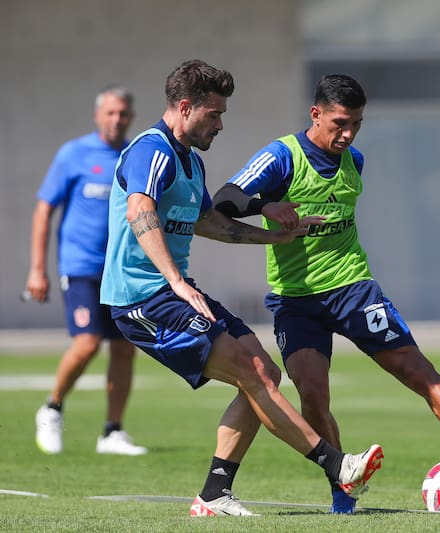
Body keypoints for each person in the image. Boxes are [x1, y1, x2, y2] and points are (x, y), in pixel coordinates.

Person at [212, 73, 440, 514]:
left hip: (353, 288)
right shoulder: (282, 157)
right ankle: (341, 486)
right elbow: (223, 199)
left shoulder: (355, 159)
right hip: (296, 301)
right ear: (315, 114)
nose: (348, 133)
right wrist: (265, 206)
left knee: (416, 369)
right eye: (339, 123)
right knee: (312, 393)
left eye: (356, 123)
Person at [99, 60, 383, 517]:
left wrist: (274, 234)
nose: (221, 124)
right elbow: (139, 210)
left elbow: (209, 221)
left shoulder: (189, 160)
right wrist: (175, 281)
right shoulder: (151, 151)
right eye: (214, 114)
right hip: (142, 300)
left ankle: (214, 494)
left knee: (265, 375)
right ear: (186, 107)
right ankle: (338, 466)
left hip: (174, 292)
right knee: (251, 370)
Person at [27, 85, 147, 456]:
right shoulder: (74, 154)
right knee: (87, 342)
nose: (117, 119)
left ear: (131, 117)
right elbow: (44, 210)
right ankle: (52, 408)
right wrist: (37, 269)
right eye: (110, 113)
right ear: (98, 115)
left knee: (125, 348)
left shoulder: (133, 156)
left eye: (123, 113)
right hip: (80, 266)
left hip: (121, 269)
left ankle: (112, 431)